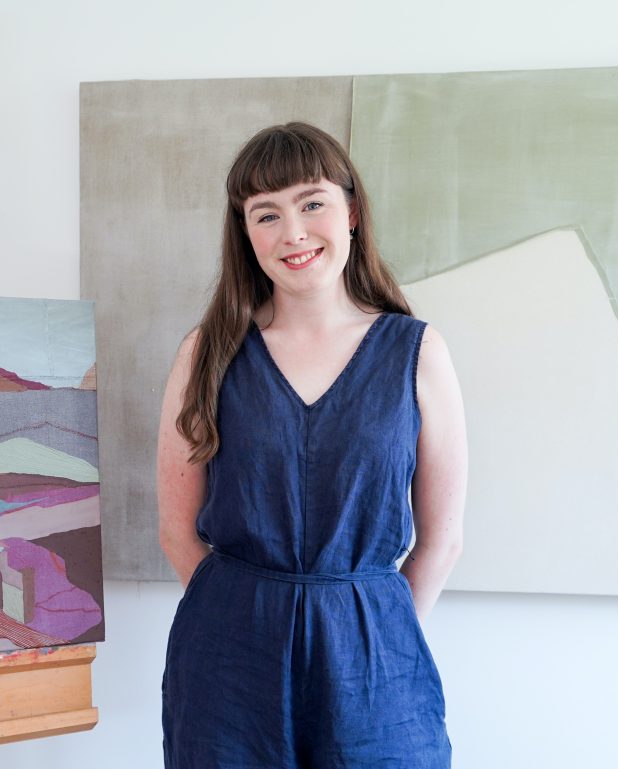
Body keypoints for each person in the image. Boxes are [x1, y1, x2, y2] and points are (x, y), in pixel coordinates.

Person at [157, 121, 467, 768]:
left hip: (375, 657)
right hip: (227, 662)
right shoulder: (207, 354)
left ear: (351, 211)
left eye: (312, 202)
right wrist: (243, 613)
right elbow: (177, 529)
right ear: (246, 233)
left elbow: (443, 537)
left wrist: (368, 626)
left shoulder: (417, 353)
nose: (292, 232)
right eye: (266, 213)